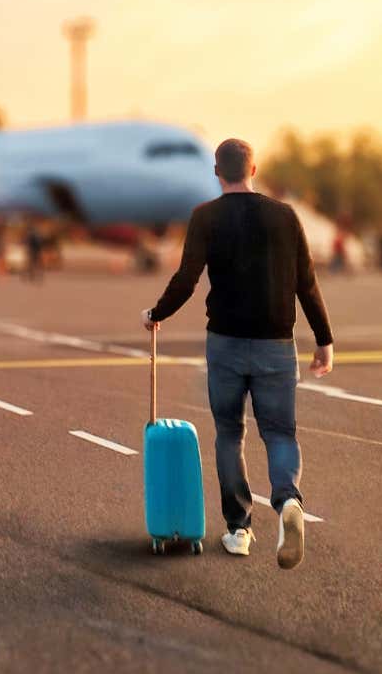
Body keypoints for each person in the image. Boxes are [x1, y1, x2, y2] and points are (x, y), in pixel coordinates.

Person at [141, 138, 334, 569]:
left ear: (216, 172)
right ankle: (287, 501)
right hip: (277, 346)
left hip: (226, 343)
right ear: (254, 169)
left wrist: (157, 314)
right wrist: (324, 340)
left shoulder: (205, 217)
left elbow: (187, 279)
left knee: (230, 434)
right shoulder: (286, 216)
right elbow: (306, 282)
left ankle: (239, 529)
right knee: (280, 434)